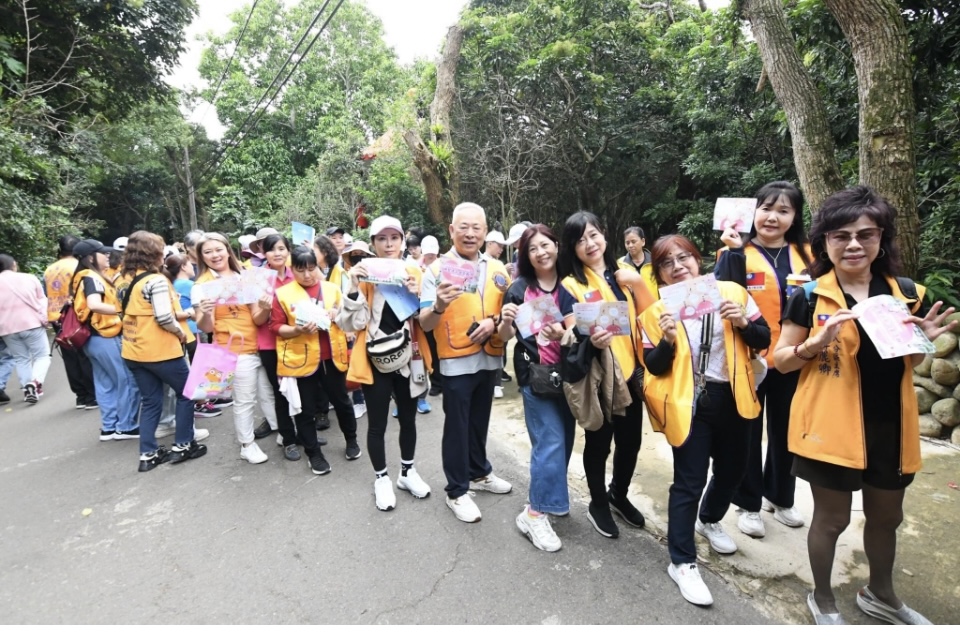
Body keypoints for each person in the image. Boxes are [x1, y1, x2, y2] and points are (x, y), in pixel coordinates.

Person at [774, 186, 955, 625]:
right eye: (841, 235)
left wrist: (922, 343)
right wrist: (814, 345)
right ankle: (823, 599)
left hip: (891, 427)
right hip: (829, 429)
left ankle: (881, 594)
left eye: (866, 234)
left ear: (881, 240)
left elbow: (908, 364)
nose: (853, 244)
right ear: (825, 243)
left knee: (887, 517)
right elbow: (780, 361)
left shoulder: (906, 294)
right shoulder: (808, 296)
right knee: (831, 520)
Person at [639, 235, 770, 606]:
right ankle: (682, 561)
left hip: (735, 395)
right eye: (667, 263)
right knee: (689, 481)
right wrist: (666, 340)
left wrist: (743, 322)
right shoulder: (655, 313)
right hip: (689, 403)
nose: (678, 266)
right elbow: (652, 366)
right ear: (659, 274)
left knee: (734, 470)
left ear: (698, 260)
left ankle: (709, 518)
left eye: (684, 258)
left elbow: (764, 337)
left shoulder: (732, 293)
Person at [715, 181, 813, 538]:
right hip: (750, 357)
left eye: (783, 210)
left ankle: (780, 497)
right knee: (748, 432)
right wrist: (732, 252)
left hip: (793, 358)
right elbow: (724, 298)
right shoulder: (734, 251)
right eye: (766, 208)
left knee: (787, 431)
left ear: (795, 217)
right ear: (752, 212)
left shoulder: (809, 255)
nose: (773, 217)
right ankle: (748, 503)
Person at [419, 202, 513, 523]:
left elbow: (509, 311)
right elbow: (425, 323)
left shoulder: (498, 269)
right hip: (455, 360)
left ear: (485, 232)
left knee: (479, 421)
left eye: (476, 228)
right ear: (451, 230)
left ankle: (479, 472)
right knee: (457, 427)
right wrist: (439, 305)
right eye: (464, 227)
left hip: (490, 356)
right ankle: (457, 491)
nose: (470, 234)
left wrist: (493, 321)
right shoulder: (436, 270)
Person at [558, 212, 649, 540]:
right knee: (599, 444)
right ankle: (598, 503)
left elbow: (650, 316)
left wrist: (638, 284)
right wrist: (590, 340)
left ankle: (617, 495)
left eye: (593, 235)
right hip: (600, 376)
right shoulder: (570, 284)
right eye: (580, 240)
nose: (589, 244)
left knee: (631, 442)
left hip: (632, 373)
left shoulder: (623, 275)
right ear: (572, 247)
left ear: (605, 235)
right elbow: (571, 329)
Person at [339, 215, 434, 510]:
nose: (389, 244)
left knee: (408, 418)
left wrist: (418, 295)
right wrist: (353, 287)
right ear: (373, 243)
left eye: (394, 238)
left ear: (403, 241)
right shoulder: (363, 274)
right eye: (382, 238)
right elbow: (350, 324)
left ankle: (407, 471)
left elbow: (427, 321)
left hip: (409, 355)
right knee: (377, 423)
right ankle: (381, 478)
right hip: (374, 357)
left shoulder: (415, 272)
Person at [497, 224, 574, 552]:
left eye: (545, 245)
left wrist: (564, 334)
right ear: (524, 256)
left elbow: (579, 330)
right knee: (550, 441)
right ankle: (534, 513)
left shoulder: (571, 283)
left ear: (556, 245)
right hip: (536, 376)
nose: (541, 252)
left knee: (564, 441)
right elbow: (504, 337)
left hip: (571, 375)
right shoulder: (518, 289)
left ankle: (551, 497)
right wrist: (504, 320)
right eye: (532, 249)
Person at [120, 231, 207, 472]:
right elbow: (163, 317)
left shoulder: (125, 279)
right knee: (187, 393)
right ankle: (183, 444)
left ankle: (148, 454)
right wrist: (179, 333)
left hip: (133, 350)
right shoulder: (156, 281)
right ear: (153, 254)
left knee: (150, 401)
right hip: (160, 351)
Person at [270, 246, 361, 473]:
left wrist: (337, 315)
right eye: (301, 270)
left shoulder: (331, 289)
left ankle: (351, 440)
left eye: (311, 269)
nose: (307, 275)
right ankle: (314, 454)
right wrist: (297, 330)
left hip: (332, 357)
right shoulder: (282, 294)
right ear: (292, 269)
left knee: (342, 402)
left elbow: (347, 320)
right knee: (305, 410)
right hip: (301, 361)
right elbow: (275, 327)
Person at [194, 232, 277, 465]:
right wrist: (205, 311)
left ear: (227, 250)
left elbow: (257, 318)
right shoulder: (201, 286)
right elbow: (206, 327)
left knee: (269, 394)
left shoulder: (244, 275)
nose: (214, 255)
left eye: (218, 249)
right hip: (235, 351)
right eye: (208, 252)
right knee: (245, 400)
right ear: (201, 256)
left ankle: (282, 431)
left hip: (260, 345)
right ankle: (247, 445)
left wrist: (265, 307)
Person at [71, 240, 141, 439]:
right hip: (106, 336)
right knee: (127, 380)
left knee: (105, 383)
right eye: (103, 253)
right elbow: (94, 304)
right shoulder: (92, 278)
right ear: (91, 257)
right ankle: (126, 426)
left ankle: (109, 427)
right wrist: (122, 310)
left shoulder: (82, 276)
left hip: (92, 339)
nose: (107, 256)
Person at [252, 234, 299, 448]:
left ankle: (305, 434)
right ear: (264, 253)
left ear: (288, 251)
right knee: (280, 393)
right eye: (272, 249)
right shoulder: (257, 279)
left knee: (303, 389)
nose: (277, 253)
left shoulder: (297, 274)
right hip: (270, 345)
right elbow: (257, 319)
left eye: (281, 248)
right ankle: (288, 439)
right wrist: (265, 308)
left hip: (297, 340)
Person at [163, 252, 220, 421]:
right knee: (200, 367)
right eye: (189, 264)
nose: (192, 267)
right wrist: (191, 314)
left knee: (193, 366)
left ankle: (202, 401)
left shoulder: (171, 284)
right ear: (183, 267)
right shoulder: (190, 285)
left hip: (182, 331)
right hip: (195, 329)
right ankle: (202, 402)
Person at [44, 235, 97, 409]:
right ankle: (91, 396)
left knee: (70, 358)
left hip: (56, 316)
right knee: (85, 355)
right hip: (76, 316)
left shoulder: (49, 269)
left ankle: (80, 396)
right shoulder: (79, 266)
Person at [0, 254, 51, 405]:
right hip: (31, 323)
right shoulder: (29, 278)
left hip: (7, 329)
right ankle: (35, 384)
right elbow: (42, 300)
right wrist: (45, 319)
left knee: (21, 359)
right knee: (42, 356)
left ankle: (27, 389)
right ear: (13, 265)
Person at [419, 235, 443, 398]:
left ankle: (442, 381)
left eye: (433, 254)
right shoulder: (414, 267)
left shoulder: (443, 267)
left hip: (442, 313)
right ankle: (435, 382)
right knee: (430, 350)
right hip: (424, 313)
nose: (430, 257)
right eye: (428, 254)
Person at [622, 226, 659, 300]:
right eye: (627, 243)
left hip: (655, 305)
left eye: (633, 242)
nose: (630, 245)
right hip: (632, 306)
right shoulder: (620, 264)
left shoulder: (655, 261)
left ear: (643, 241)